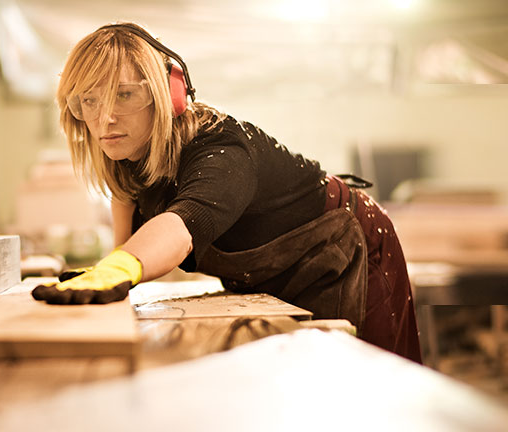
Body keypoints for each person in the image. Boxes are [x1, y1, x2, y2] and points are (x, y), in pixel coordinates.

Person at [31, 22, 421, 362]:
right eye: (90, 101)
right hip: (274, 274)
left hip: (350, 247)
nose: (105, 118)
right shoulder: (127, 151)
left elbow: (183, 226)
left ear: (169, 94)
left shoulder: (220, 147)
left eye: (125, 94)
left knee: (369, 386)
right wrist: (111, 274)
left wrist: (118, 269)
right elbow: (127, 251)